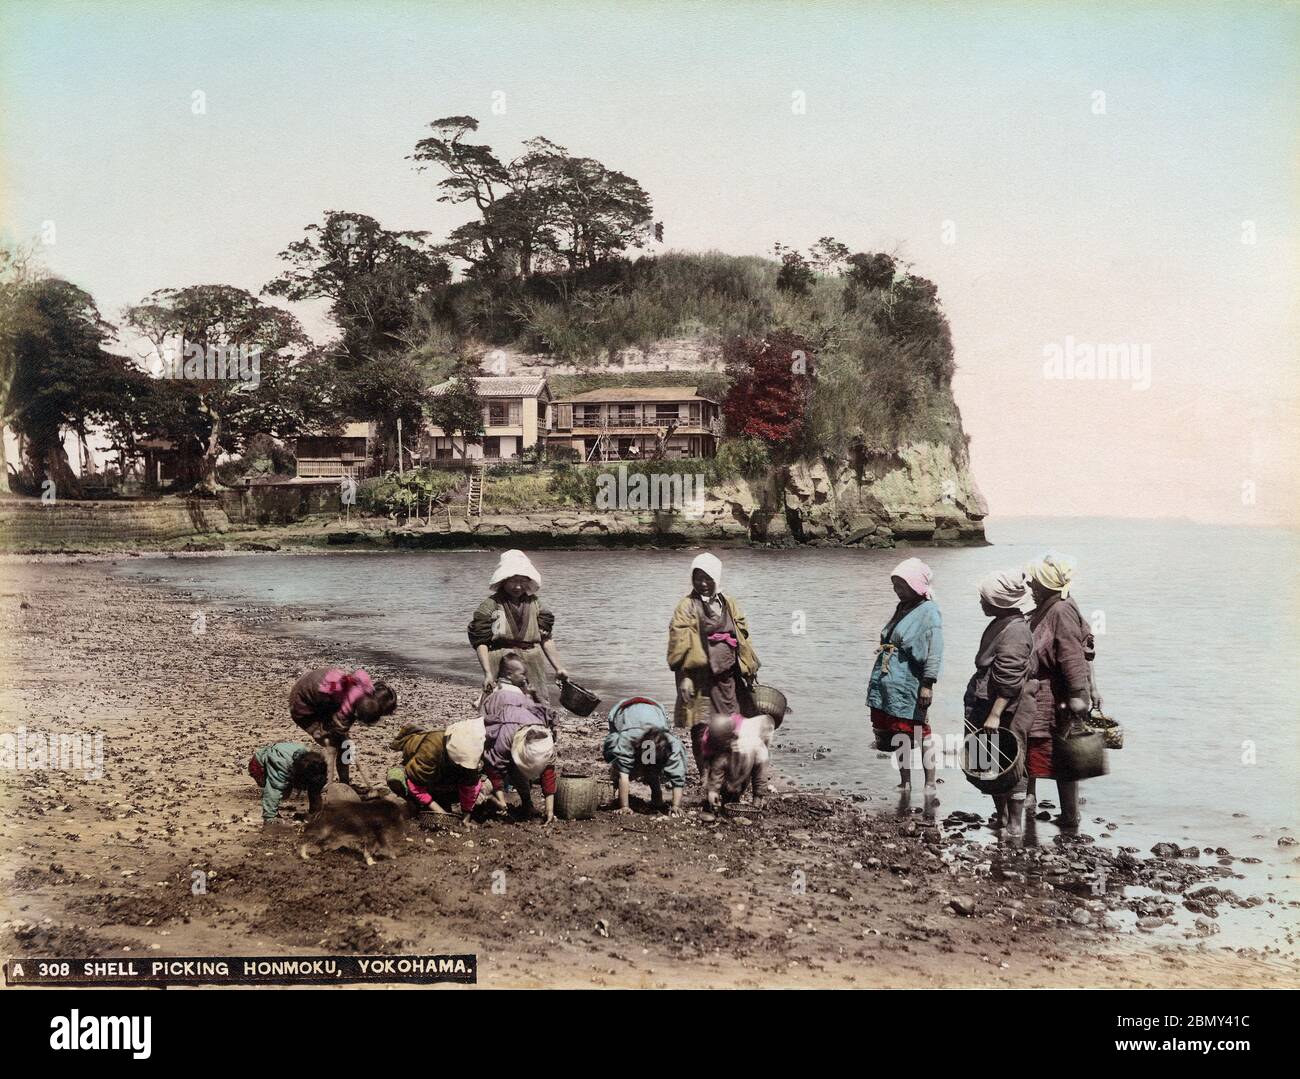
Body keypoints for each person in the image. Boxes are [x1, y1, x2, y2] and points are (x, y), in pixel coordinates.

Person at [963, 570, 1038, 836]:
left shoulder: (1015, 631)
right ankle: (1002, 815)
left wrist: (995, 713)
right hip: (988, 699)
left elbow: (1009, 678)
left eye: (985, 599)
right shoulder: (1002, 622)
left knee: (1011, 759)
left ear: (998, 602)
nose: (981, 603)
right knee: (990, 759)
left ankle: (1015, 823)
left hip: (1008, 706)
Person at [1025, 554, 1093, 828]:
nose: (1031, 586)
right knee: (1042, 750)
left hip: (1057, 695)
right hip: (1044, 692)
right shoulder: (1049, 606)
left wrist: (1079, 694)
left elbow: (1072, 656)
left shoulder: (1060, 610)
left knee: (1063, 755)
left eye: (1035, 582)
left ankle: (1069, 816)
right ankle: (1035, 806)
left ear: (1046, 585)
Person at [867, 557, 944, 798]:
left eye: (901, 586)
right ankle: (905, 782)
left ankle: (930, 782)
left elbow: (935, 651)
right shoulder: (903, 607)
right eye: (895, 585)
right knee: (899, 732)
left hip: (911, 681)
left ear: (915, 586)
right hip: (891, 682)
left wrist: (928, 685)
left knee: (921, 732)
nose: (896, 590)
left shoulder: (929, 611)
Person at [666, 552, 759, 732]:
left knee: (733, 725)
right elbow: (678, 644)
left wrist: (748, 667)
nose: (703, 584)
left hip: (728, 678)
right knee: (702, 728)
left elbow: (742, 638)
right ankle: (704, 760)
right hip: (700, 680)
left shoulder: (729, 603)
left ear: (716, 578)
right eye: (698, 578)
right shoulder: (686, 606)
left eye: (708, 579)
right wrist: (685, 678)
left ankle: (730, 759)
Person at [468, 550, 568, 705]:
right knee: (499, 704)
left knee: (538, 702)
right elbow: (480, 642)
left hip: (532, 659)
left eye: (523, 581)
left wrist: (559, 668)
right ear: (503, 581)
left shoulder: (536, 604)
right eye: (513, 581)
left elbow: (546, 637)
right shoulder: (490, 605)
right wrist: (487, 673)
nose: (518, 586)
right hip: (501, 661)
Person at [481, 652, 559, 823]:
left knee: (496, 763)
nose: (525, 677)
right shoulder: (521, 696)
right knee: (543, 765)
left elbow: (485, 717)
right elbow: (542, 712)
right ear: (509, 674)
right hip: (530, 727)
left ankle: (503, 804)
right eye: (522, 674)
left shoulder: (497, 694)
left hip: (510, 729)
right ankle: (545, 810)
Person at [289, 666, 396, 785]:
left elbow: (340, 728)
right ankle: (327, 785)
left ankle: (344, 783)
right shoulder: (346, 710)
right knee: (331, 746)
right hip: (304, 706)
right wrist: (337, 734)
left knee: (346, 746)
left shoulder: (364, 688)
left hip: (318, 695)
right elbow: (337, 729)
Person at [387, 716, 486, 826]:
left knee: (485, 786)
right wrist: (440, 812)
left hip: (441, 778)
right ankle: (415, 804)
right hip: (420, 777)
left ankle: (440, 801)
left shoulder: (472, 753)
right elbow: (416, 785)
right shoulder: (431, 748)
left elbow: (469, 785)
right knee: (394, 778)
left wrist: (466, 817)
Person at [602, 696, 688, 815]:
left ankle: (657, 797)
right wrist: (624, 806)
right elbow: (624, 774)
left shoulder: (673, 744)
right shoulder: (626, 739)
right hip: (621, 710)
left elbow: (678, 777)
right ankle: (614, 789)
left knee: (651, 767)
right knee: (619, 763)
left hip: (656, 709)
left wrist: (676, 805)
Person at [690, 711, 776, 816]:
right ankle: (723, 798)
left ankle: (734, 797)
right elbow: (716, 771)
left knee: (742, 780)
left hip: (746, 756)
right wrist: (713, 792)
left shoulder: (758, 751)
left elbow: (760, 777)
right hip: (727, 749)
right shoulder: (722, 750)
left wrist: (757, 801)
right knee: (720, 777)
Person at [248, 741, 327, 823]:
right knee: (281, 792)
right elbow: (273, 791)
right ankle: (272, 813)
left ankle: (315, 812)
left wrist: (315, 813)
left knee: (314, 786)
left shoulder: (315, 764)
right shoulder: (280, 763)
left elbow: (315, 789)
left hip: (290, 764)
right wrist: (270, 817)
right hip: (259, 765)